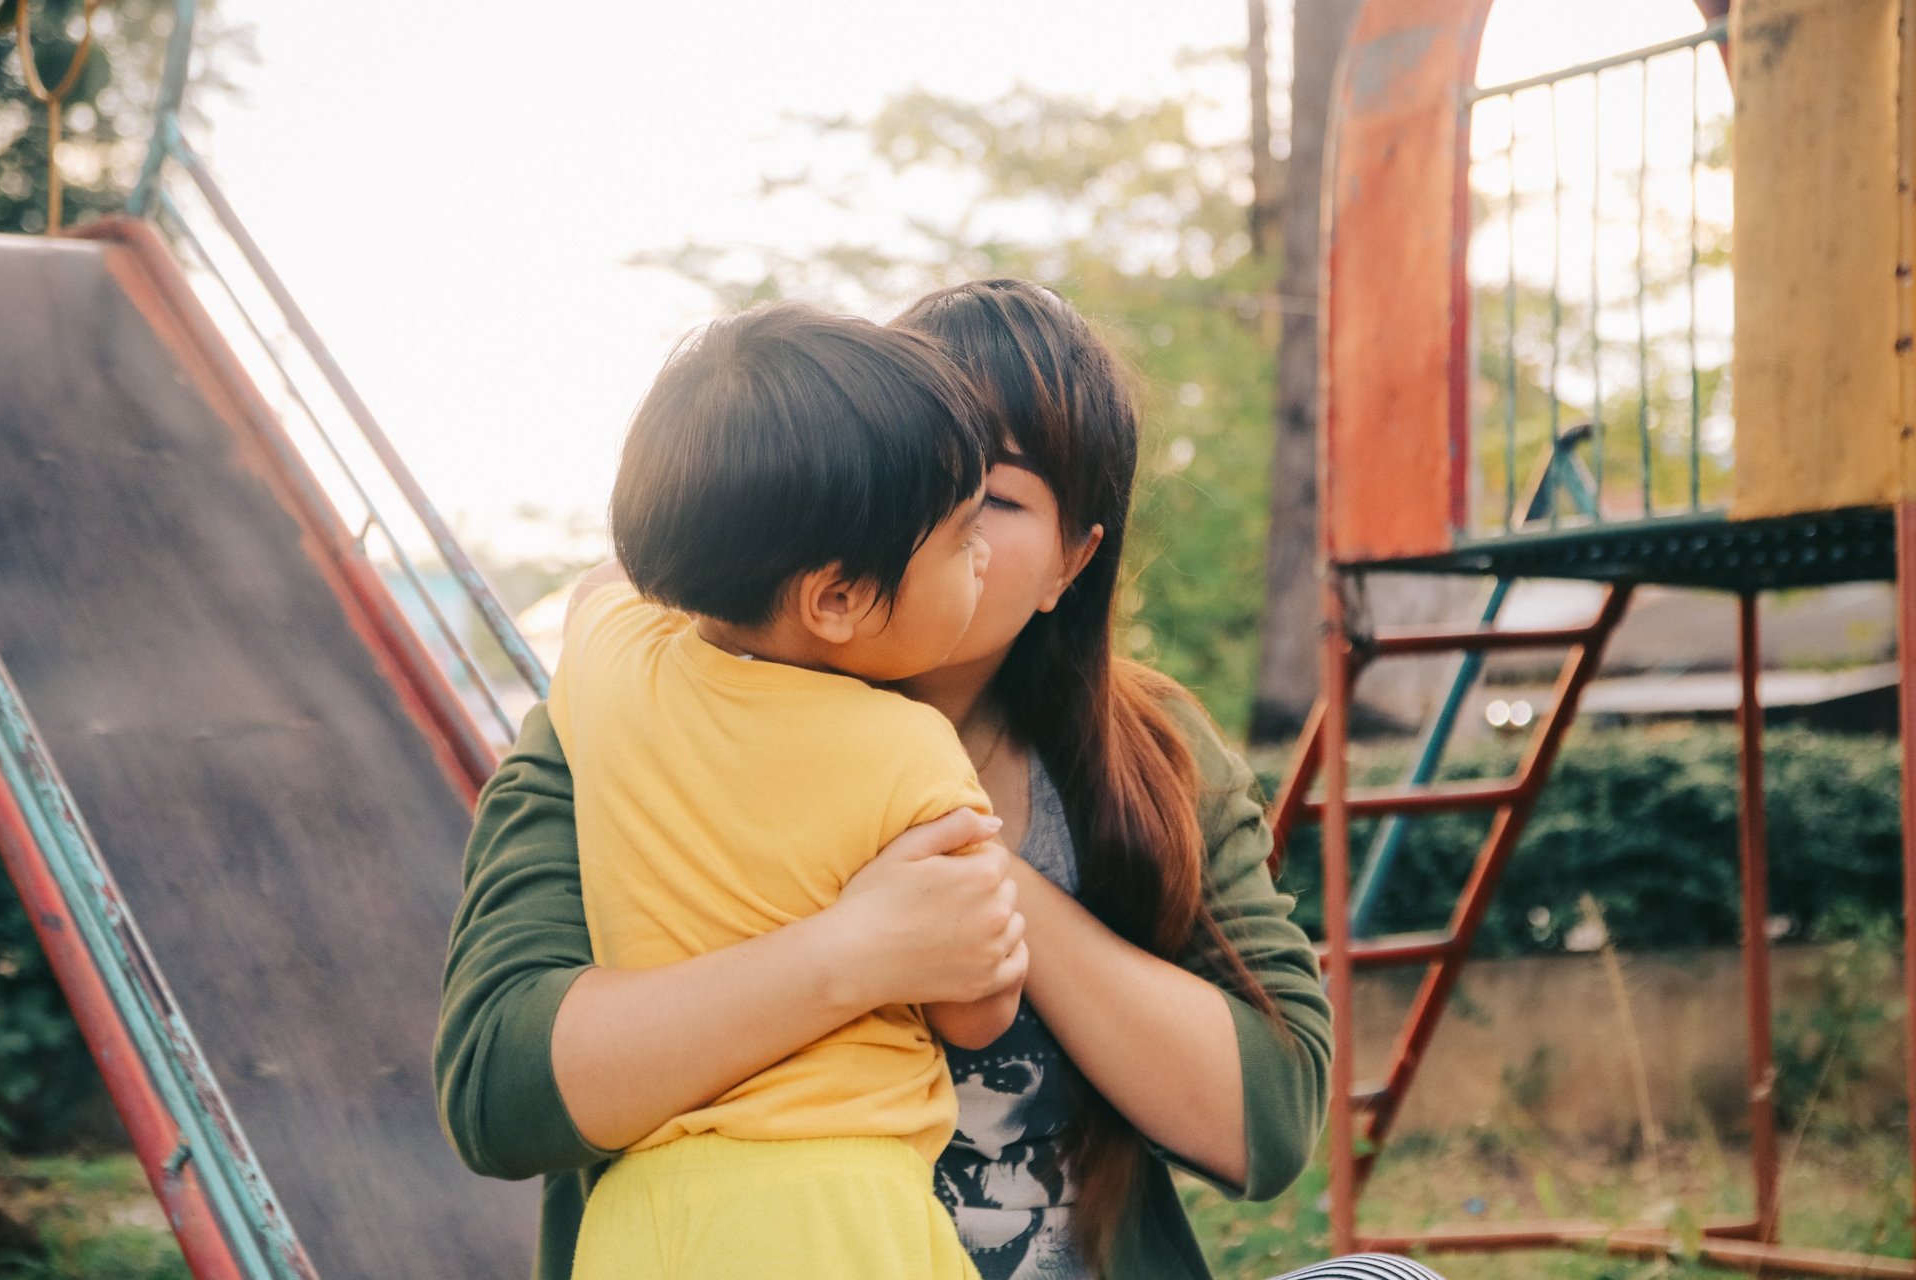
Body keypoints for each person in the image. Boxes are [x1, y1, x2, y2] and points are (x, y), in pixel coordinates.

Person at [437, 280, 1433, 1279]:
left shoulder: (1153, 752)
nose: (929, 521)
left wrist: (981, 879)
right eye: (906, 478)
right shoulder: (629, 723)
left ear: (1070, 563)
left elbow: (1266, 1117)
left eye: (989, 500)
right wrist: (850, 952)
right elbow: (499, 1087)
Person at [551, 304, 1022, 1279]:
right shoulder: (911, 751)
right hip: (831, 1208)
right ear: (838, 598)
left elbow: (603, 582)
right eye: (962, 534)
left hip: (638, 1212)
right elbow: (978, 1006)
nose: (983, 555)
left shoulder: (612, 667)